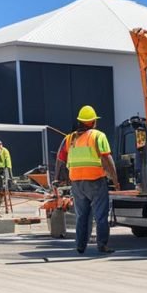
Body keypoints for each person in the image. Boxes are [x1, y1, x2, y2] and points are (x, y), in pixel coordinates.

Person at [55, 105, 119, 254]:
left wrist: (57, 178)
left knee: (82, 215)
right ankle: (102, 245)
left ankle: (80, 245)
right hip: (95, 181)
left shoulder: (69, 138)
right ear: (91, 122)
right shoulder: (97, 136)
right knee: (101, 215)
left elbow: (60, 159)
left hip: (77, 184)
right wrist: (115, 180)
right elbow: (107, 158)